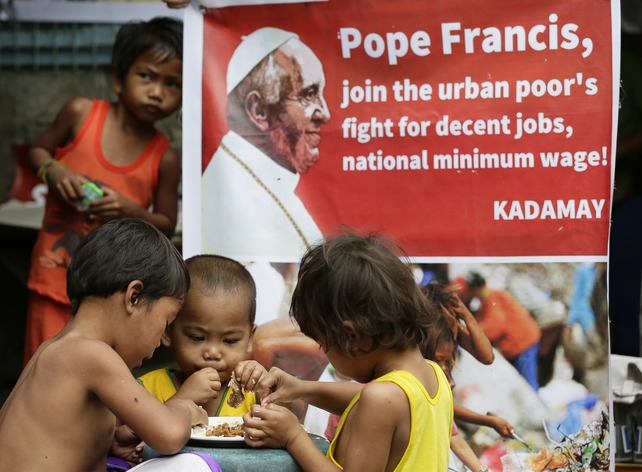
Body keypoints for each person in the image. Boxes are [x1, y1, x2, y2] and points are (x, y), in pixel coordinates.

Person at [0, 218, 221, 471]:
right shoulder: (90, 354)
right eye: (166, 321)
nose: (162, 340)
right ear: (134, 297)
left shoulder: (54, 349)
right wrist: (181, 407)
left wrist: (109, 442)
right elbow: (169, 435)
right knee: (193, 465)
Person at [23, 17, 184, 364]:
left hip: (115, 299)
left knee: (99, 384)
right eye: (147, 76)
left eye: (173, 83)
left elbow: (167, 223)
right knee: (42, 370)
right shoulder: (80, 113)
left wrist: (131, 210)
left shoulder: (165, 158)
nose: (157, 92)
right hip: (54, 278)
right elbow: (37, 152)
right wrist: (54, 170)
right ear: (117, 78)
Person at [242, 232, 454, 471]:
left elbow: (373, 402)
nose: (324, 352)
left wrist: (292, 436)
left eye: (324, 345)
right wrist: (301, 389)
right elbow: (363, 399)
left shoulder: (382, 400)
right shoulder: (433, 377)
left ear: (353, 337)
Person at [201, 26, 330, 258]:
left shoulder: (263, 180)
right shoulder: (231, 194)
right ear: (258, 110)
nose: (325, 113)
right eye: (309, 94)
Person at [137, 254, 268, 416]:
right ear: (168, 331)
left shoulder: (252, 393)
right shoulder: (145, 390)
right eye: (198, 338)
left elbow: (294, 414)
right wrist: (183, 399)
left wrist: (268, 388)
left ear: (250, 338)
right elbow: (133, 436)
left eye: (229, 340)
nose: (213, 353)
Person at [422, 282, 516, 472]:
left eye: (447, 360)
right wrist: (489, 421)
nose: (443, 367)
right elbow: (448, 413)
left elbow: (488, 357)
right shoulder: (417, 364)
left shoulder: (449, 331)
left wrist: (466, 316)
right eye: (438, 360)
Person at [455, 272, 542, 391]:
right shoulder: (488, 296)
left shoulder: (491, 297)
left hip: (523, 342)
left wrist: (474, 330)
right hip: (524, 339)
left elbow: (496, 325)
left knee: (529, 386)